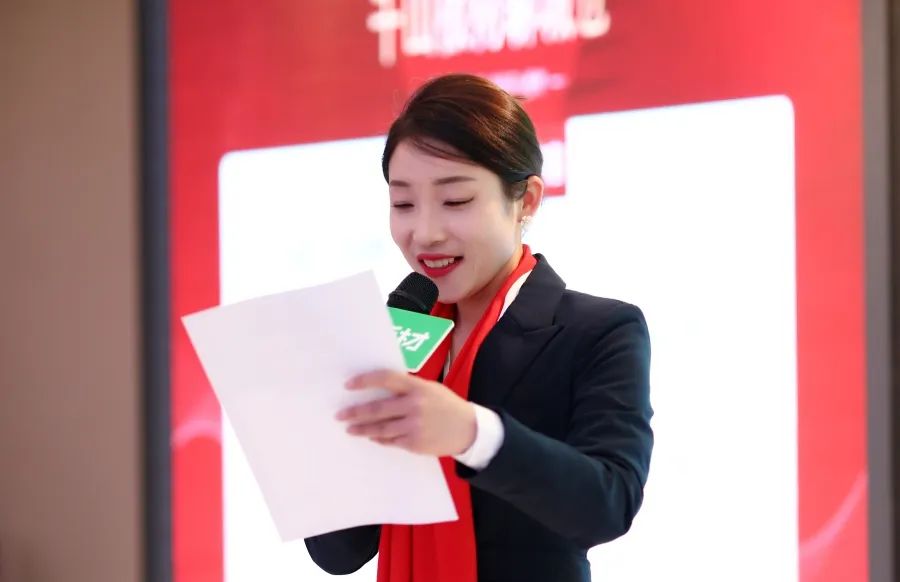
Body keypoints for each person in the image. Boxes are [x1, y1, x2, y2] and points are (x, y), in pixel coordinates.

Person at [305, 73, 653, 582]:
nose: (425, 232)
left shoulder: (598, 330)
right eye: (403, 204)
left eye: (456, 202)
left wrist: (471, 433)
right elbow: (338, 554)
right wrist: (322, 437)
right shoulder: (391, 336)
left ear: (526, 200)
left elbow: (608, 503)